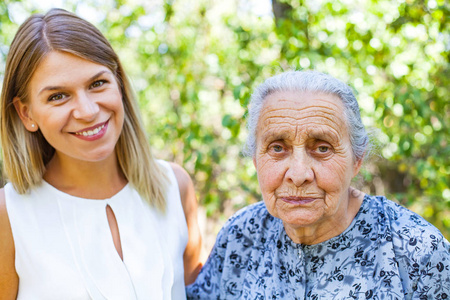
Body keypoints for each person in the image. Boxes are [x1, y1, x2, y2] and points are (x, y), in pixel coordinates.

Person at [186, 71, 450, 299]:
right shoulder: (241, 236)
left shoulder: (416, 250)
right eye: (277, 148)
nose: (298, 175)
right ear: (256, 160)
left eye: (322, 148)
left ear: (357, 160)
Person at [0, 8, 202, 299]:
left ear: (118, 82)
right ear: (26, 112)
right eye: (58, 96)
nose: (88, 111)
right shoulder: (10, 215)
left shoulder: (174, 185)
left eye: (97, 84)